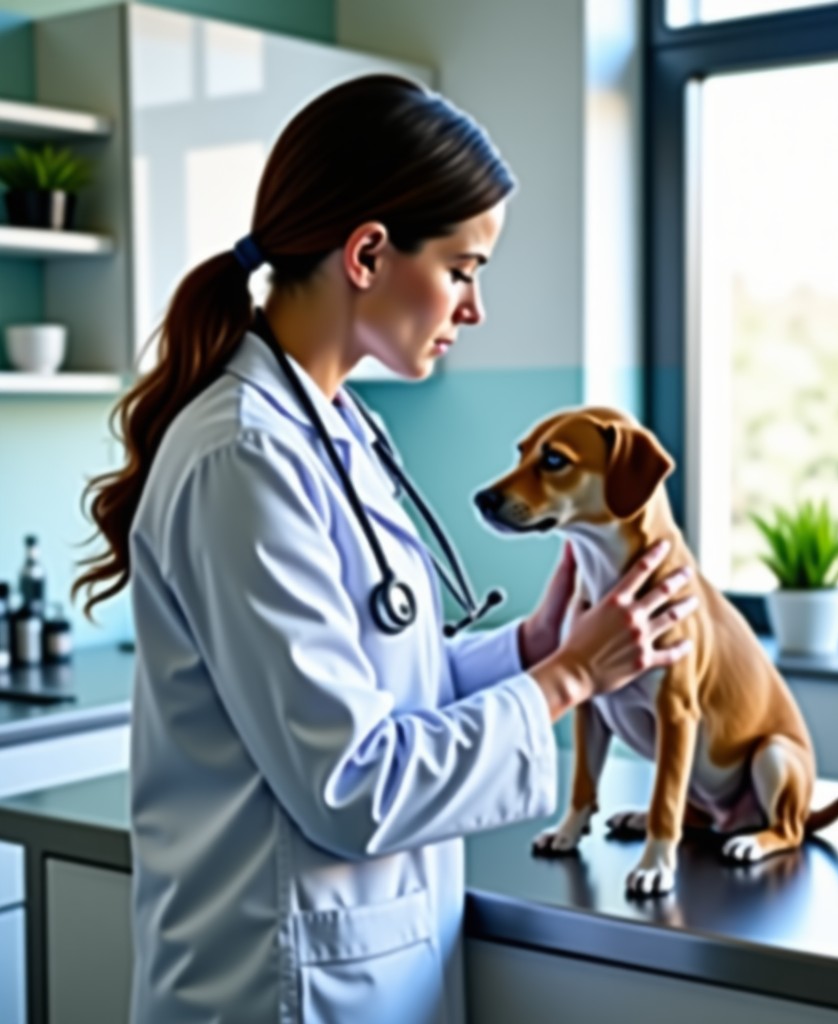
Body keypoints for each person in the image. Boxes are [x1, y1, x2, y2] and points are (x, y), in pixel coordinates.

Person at [74, 75, 697, 1024]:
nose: (473, 307)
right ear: (368, 252)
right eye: (464, 267)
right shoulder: (245, 455)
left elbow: (377, 680)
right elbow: (351, 782)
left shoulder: (339, 428)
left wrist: (530, 647)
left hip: (365, 965)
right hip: (271, 984)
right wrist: (570, 678)